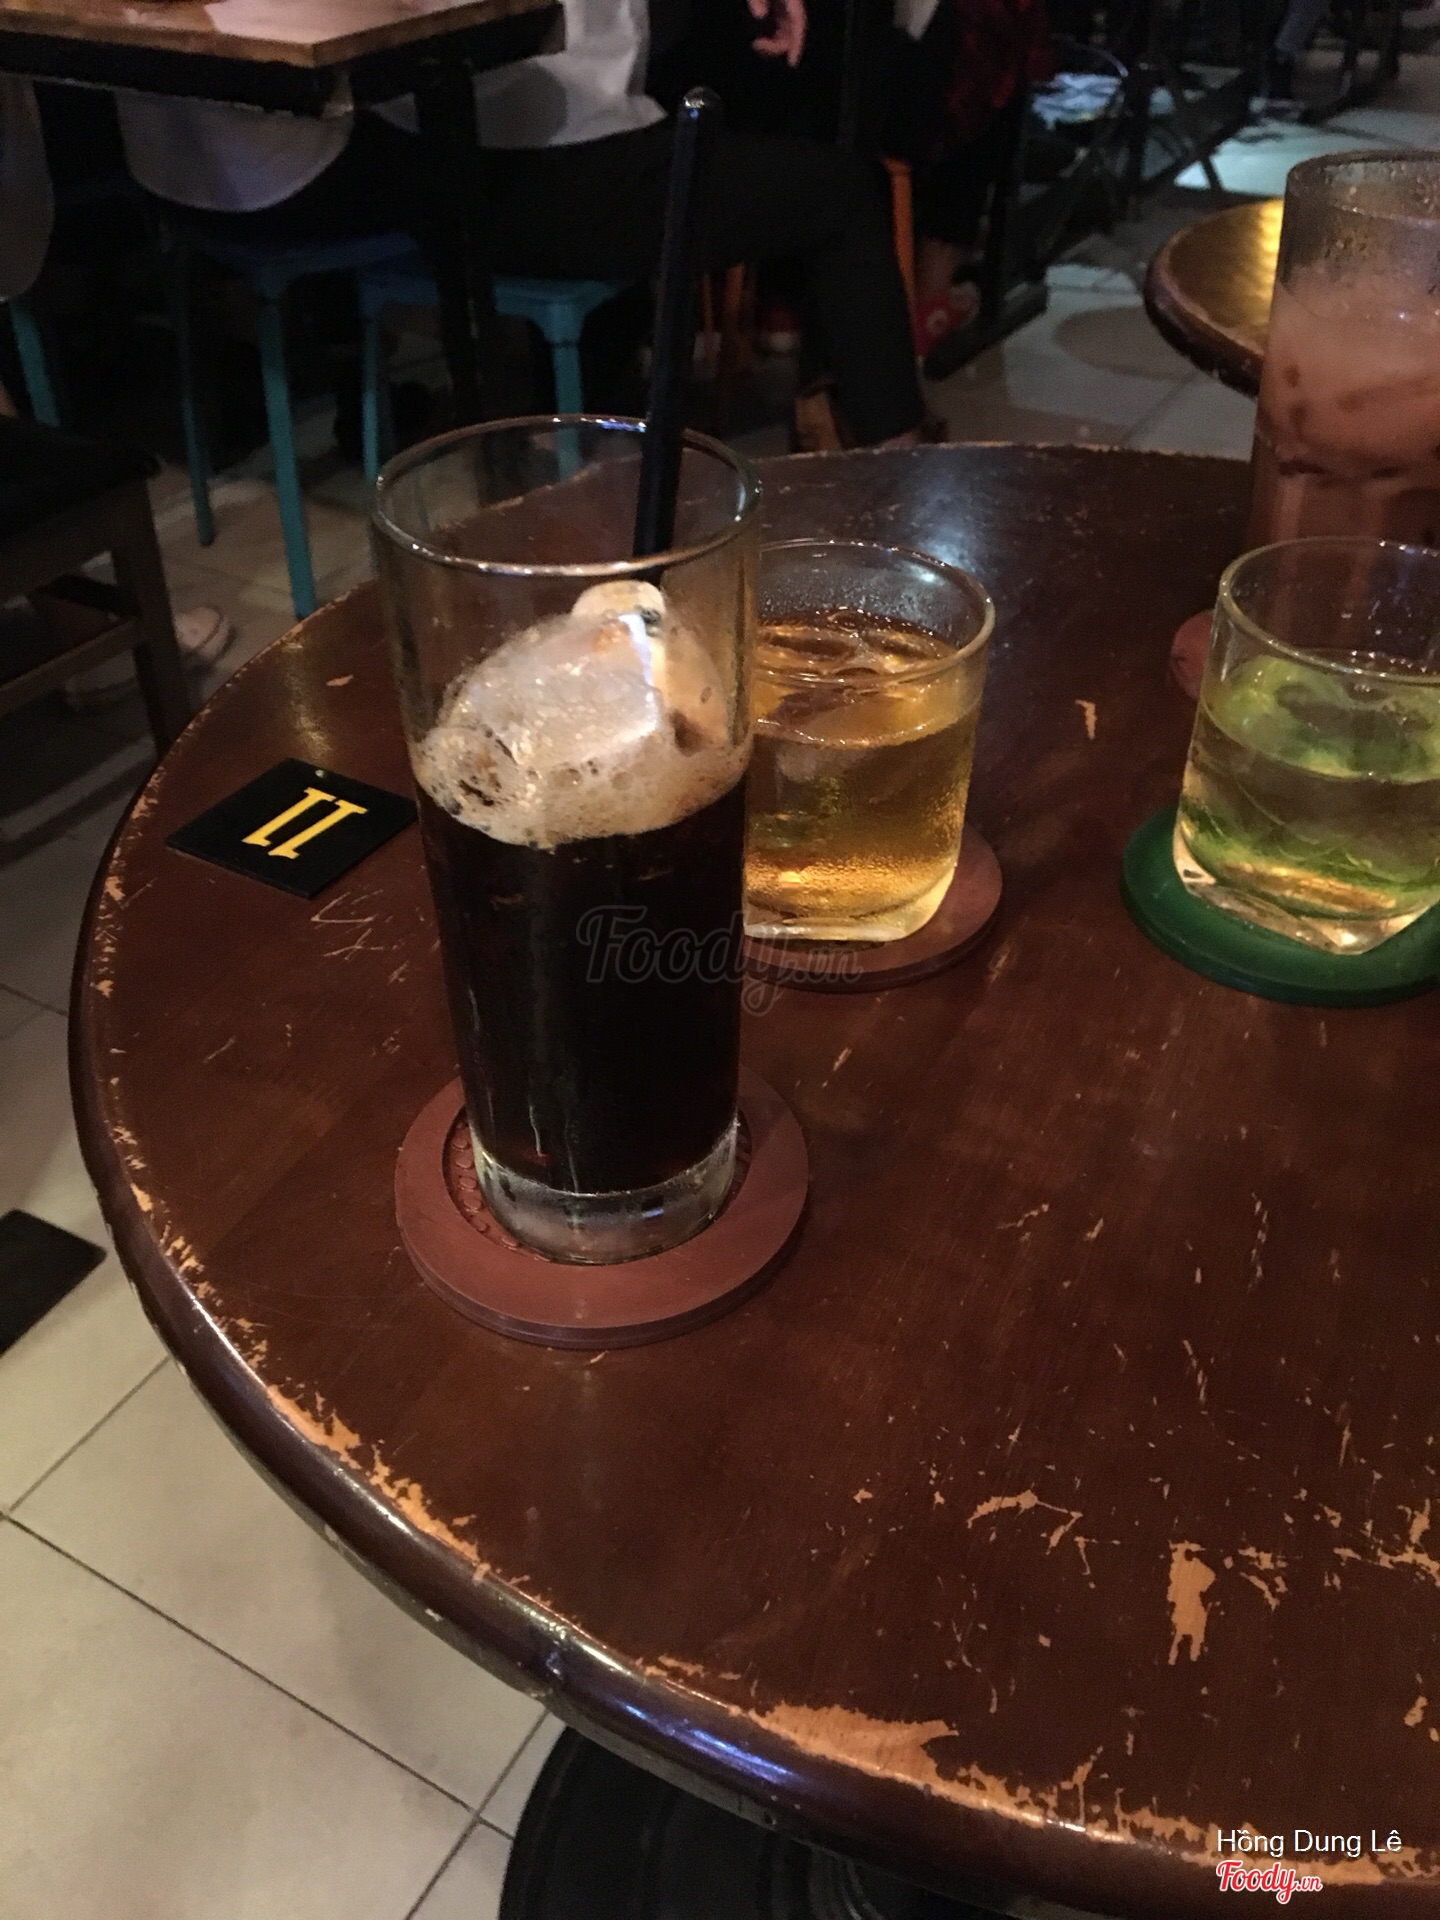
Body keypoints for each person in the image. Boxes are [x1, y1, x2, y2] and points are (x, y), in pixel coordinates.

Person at [115, 0, 925, 450]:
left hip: (429, 163)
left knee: (712, 125)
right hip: (548, 178)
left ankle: (594, 404)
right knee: (840, 190)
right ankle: (895, 454)